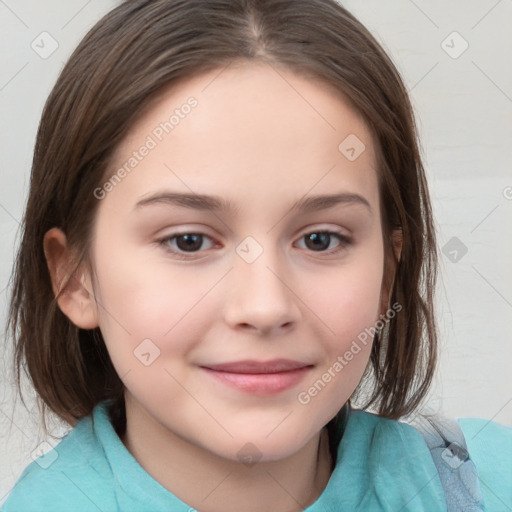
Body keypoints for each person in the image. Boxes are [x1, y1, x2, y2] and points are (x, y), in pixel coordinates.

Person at [3, 0, 511, 510]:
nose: (265, 307)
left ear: (386, 275)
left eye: (321, 239)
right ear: (75, 277)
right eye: (189, 241)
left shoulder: (485, 482)